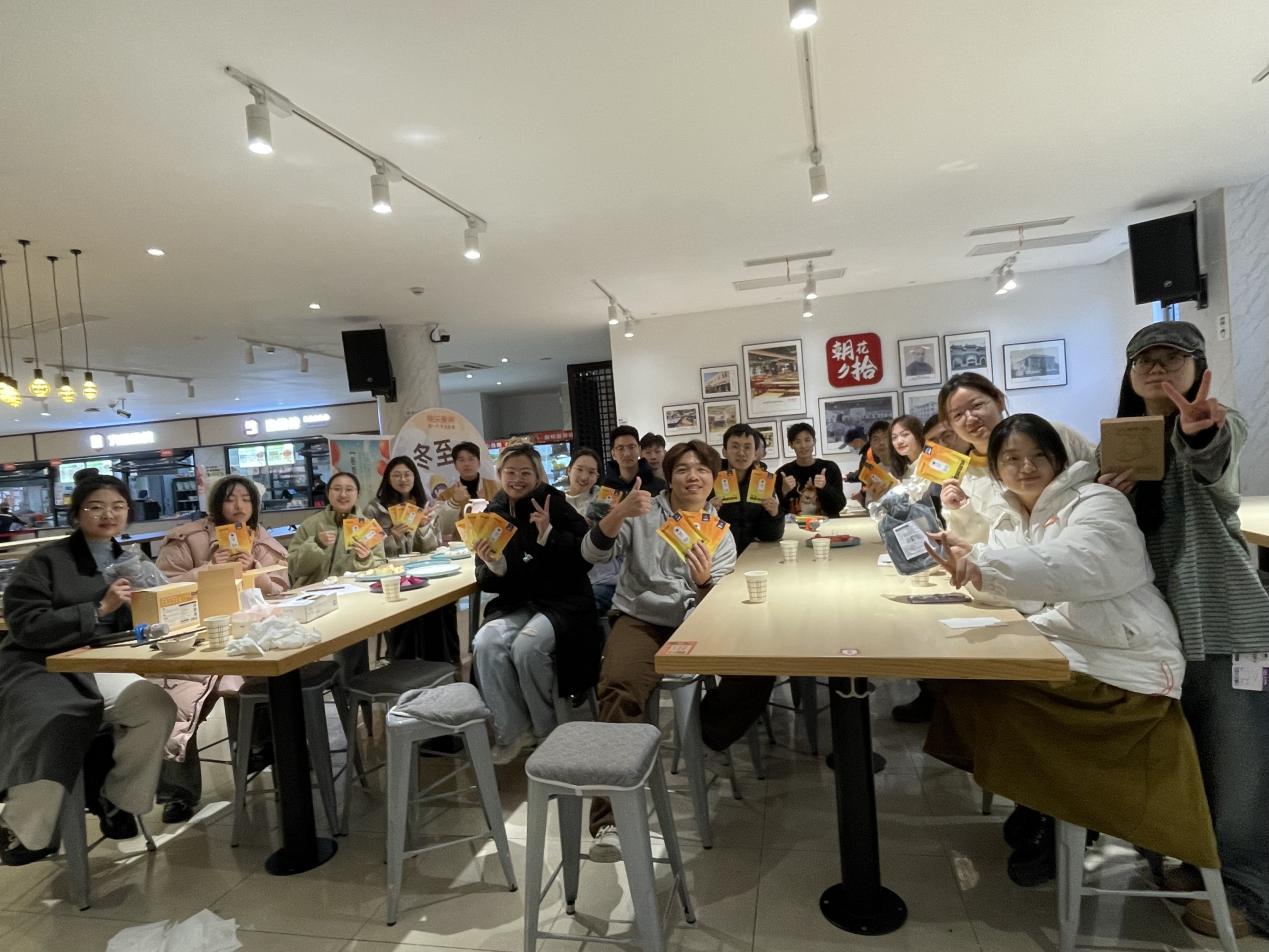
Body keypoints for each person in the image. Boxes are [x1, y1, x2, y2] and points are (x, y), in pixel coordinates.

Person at [924, 414, 1213, 888]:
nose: (1026, 467)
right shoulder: (1012, 518)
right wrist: (972, 563)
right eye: (1012, 459)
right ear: (995, 469)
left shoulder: (1097, 500)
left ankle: (1054, 810)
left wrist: (982, 563)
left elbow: (1082, 564)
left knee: (1002, 693)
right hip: (1073, 646)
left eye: (1038, 456)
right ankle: (1036, 800)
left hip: (1126, 664)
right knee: (965, 681)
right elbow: (1024, 595)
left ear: (1059, 459)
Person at [1100, 321, 1269, 937]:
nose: (1157, 367)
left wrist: (1202, 432)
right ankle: (1195, 865)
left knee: (1240, 764)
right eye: (1144, 359)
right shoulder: (1118, 445)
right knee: (1186, 757)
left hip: (1226, 625)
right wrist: (1105, 497)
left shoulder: (1215, 424)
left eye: (1173, 358)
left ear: (1198, 368)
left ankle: (1251, 894)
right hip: (1156, 632)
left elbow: (1215, 459)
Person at [581, 440, 772, 861]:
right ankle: (610, 819)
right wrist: (617, 514)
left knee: (760, 663)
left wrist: (703, 584)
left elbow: (717, 601)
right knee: (618, 686)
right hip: (641, 618)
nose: (692, 477)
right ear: (669, 476)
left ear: (713, 478)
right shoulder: (642, 511)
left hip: (699, 618)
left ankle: (707, 735)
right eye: (683, 469)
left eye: (701, 469)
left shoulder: (719, 530)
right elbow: (591, 554)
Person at [0, 475, 177, 865]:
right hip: (40, 666)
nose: (107, 514)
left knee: (155, 706)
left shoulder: (129, 559)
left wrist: (147, 606)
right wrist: (98, 609)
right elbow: (25, 624)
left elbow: (145, 619)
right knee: (56, 719)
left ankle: (117, 799)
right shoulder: (46, 561)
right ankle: (26, 830)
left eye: (117, 506)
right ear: (77, 513)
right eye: (95, 507)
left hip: (98, 662)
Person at [151, 475, 290, 822]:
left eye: (246, 499)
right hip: (193, 639)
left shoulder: (261, 539)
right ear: (215, 504)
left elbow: (283, 589)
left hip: (248, 634)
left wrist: (255, 569)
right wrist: (208, 570)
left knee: (254, 685)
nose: (239, 506)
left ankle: (256, 753)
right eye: (230, 499)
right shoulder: (188, 538)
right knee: (175, 702)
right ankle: (178, 793)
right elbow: (159, 587)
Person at [471, 443, 600, 764]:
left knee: (527, 648)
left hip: (564, 601)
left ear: (538, 475)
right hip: (519, 603)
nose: (517, 479)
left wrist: (549, 534)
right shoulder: (491, 514)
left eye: (525, 472)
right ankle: (513, 731)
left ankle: (547, 730)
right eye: (510, 472)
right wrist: (495, 566)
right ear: (500, 474)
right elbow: (485, 580)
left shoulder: (554, 503)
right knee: (485, 643)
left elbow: (585, 556)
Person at [938, 372, 1095, 546]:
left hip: (1080, 545)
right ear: (950, 425)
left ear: (999, 400)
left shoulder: (1053, 436)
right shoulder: (961, 479)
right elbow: (974, 546)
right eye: (957, 415)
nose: (970, 418)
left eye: (977, 405)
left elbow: (1097, 469)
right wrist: (961, 510)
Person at [363, 456, 460, 663]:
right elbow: (369, 550)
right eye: (396, 475)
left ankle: (443, 662)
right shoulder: (374, 509)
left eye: (407, 474)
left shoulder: (424, 504)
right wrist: (392, 537)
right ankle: (406, 663)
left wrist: (423, 527)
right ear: (388, 479)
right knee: (409, 608)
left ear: (414, 477)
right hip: (392, 576)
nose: (403, 479)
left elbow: (431, 548)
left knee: (443, 603)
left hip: (423, 571)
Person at [288, 471, 384, 587]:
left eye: (349, 489)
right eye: (337, 489)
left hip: (353, 591)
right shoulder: (310, 524)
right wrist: (317, 544)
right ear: (328, 493)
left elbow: (381, 567)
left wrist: (365, 559)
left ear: (357, 494)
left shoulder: (368, 527)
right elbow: (293, 568)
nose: (343, 494)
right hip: (312, 591)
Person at [562, 447, 621, 615]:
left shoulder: (606, 501)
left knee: (576, 610)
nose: (584, 477)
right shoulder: (557, 503)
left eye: (591, 472)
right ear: (569, 470)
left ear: (597, 476)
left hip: (603, 580)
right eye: (579, 469)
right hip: (568, 580)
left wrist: (612, 521)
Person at [716, 424, 784, 553]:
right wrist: (708, 512)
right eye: (735, 446)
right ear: (724, 451)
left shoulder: (764, 482)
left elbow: (770, 536)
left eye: (747, 447)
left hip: (753, 556)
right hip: (719, 557)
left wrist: (775, 514)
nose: (741, 453)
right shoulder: (711, 481)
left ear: (755, 453)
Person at [774, 422, 846, 517]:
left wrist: (825, 487)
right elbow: (777, 513)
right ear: (791, 444)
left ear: (814, 441)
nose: (803, 445)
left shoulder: (830, 468)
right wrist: (783, 492)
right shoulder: (782, 473)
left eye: (807, 440)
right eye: (798, 441)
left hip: (827, 524)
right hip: (795, 526)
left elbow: (839, 506)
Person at [436, 442, 500, 542]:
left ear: (479, 462)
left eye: (471, 459)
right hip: (461, 547)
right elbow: (443, 529)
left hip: (493, 543)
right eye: (461, 460)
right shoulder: (445, 495)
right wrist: (454, 501)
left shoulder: (496, 487)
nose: (466, 464)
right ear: (455, 465)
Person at [603, 426, 665, 495]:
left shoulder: (660, 486)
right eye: (620, 448)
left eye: (631, 447)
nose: (627, 454)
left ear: (639, 450)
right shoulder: (606, 488)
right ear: (613, 454)